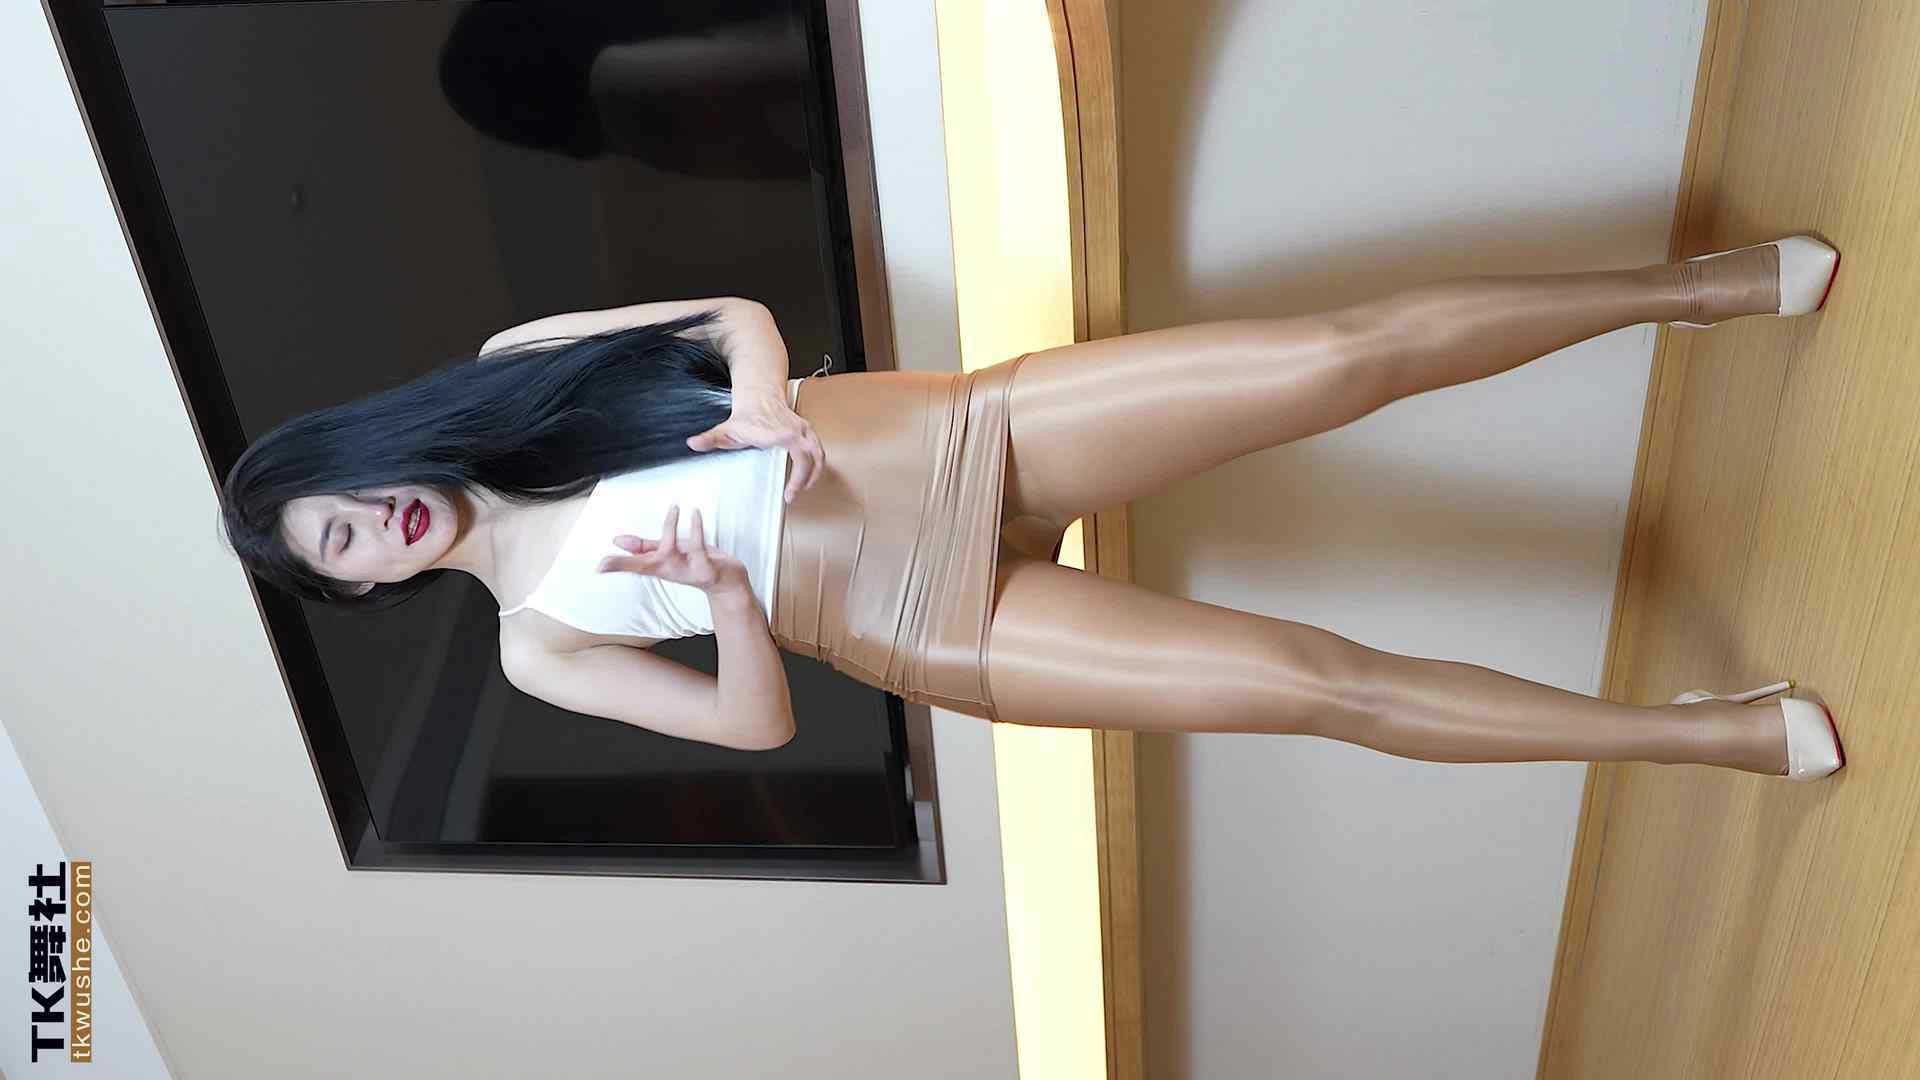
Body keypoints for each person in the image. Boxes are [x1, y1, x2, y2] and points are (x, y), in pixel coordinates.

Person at [220, 236, 1845, 779]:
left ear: (365, 454)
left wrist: (765, 403)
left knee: (1339, 357)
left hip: (945, 439)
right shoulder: (538, 646)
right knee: (1317, 685)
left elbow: (728, 319)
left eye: (345, 500)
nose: (375, 524)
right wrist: (720, 597)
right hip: (921, 621)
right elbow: (757, 727)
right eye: (343, 549)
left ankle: (1694, 287)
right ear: (361, 592)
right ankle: (1708, 737)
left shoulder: (514, 374)